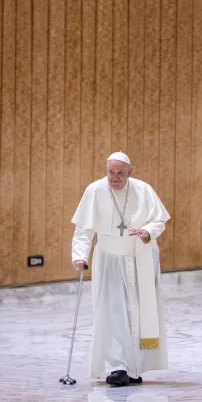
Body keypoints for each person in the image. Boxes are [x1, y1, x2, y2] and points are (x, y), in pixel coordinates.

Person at [71, 151, 171, 386]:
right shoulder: (94, 191)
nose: (114, 178)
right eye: (110, 172)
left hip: (141, 257)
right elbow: (84, 230)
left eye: (120, 173)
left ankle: (135, 367)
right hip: (109, 259)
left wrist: (147, 232)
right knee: (114, 312)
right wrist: (79, 256)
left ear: (130, 172)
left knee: (137, 313)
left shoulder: (144, 189)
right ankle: (118, 367)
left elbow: (159, 220)